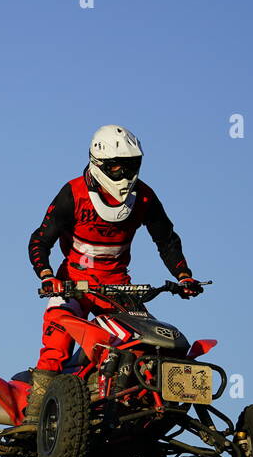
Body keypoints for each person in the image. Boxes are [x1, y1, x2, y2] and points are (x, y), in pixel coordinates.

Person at [24, 125, 203, 425]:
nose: (126, 173)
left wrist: (183, 275)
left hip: (119, 288)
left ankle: (145, 409)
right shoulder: (73, 194)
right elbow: (40, 240)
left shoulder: (144, 197)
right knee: (55, 345)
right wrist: (46, 275)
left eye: (132, 165)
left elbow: (166, 239)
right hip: (72, 285)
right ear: (101, 164)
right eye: (119, 166)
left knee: (151, 344)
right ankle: (35, 420)